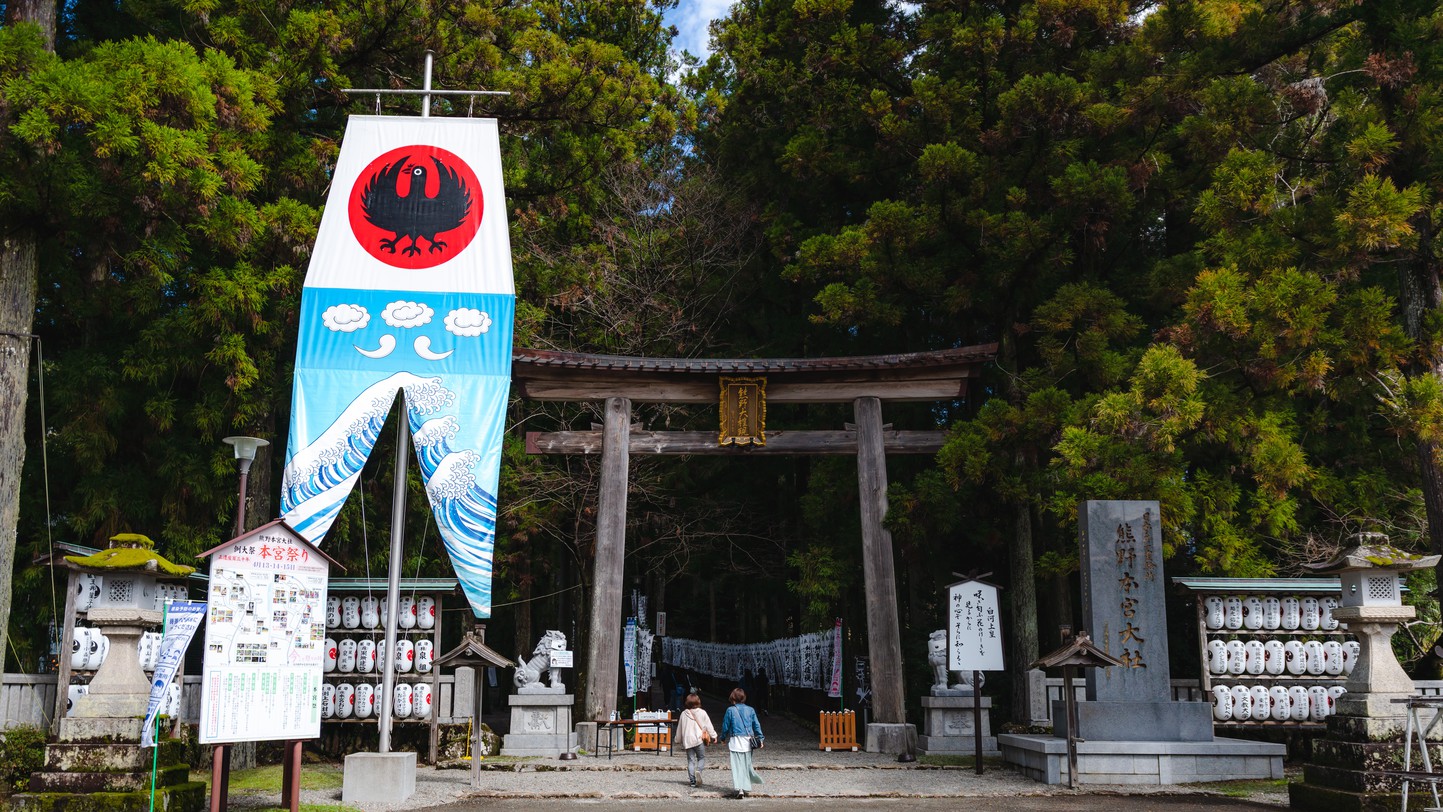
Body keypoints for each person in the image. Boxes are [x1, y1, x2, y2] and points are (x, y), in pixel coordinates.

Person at [720, 687, 764, 798]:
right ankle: (745, 787)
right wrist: (761, 738)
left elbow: (726, 725)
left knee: (736, 766)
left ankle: (739, 788)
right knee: (746, 765)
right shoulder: (751, 710)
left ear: (733, 697)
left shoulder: (730, 710)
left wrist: (723, 737)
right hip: (748, 742)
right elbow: (756, 725)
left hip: (735, 741)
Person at [675, 692, 717, 788]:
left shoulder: (683, 714)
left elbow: (680, 728)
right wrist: (714, 735)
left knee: (690, 760)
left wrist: (677, 739)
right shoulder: (702, 712)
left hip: (688, 741)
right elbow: (709, 726)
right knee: (701, 757)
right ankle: (699, 771)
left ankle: (692, 781)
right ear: (698, 702)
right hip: (698, 739)